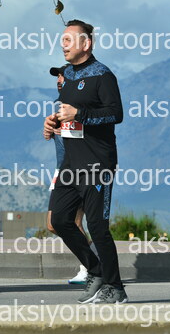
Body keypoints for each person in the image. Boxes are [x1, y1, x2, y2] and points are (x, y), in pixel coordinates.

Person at [44, 19, 127, 304]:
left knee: (98, 227)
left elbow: (115, 114)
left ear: (86, 43)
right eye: (62, 40)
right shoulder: (67, 75)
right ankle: (95, 270)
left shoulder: (103, 75)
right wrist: (53, 123)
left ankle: (116, 288)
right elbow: (66, 113)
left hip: (97, 164)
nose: (62, 45)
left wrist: (79, 114)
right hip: (70, 163)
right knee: (59, 220)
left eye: (68, 40)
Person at [44, 64, 97, 285]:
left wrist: (65, 131)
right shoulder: (59, 104)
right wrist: (49, 129)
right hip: (62, 168)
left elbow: (88, 134)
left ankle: (91, 267)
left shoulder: (79, 104)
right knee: (53, 224)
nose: (59, 80)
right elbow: (59, 135)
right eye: (57, 76)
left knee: (71, 222)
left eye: (63, 76)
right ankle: (94, 259)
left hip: (80, 169)